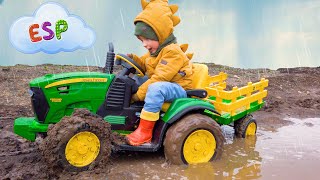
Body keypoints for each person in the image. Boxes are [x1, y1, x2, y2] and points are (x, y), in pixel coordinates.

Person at [126, 0, 193, 146]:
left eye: (148, 39)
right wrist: (131, 58)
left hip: (178, 89)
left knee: (155, 88)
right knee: (136, 81)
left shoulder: (172, 52)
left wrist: (136, 96)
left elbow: (159, 78)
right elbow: (144, 64)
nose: (144, 44)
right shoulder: (155, 52)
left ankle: (145, 132)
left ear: (161, 35)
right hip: (167, 85)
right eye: (141, 40)